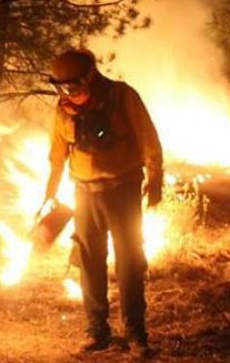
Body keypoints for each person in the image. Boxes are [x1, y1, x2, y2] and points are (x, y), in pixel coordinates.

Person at [42, 49, 163, 356]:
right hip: (84, 193)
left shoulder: (122, 97)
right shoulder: (63, 111)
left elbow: (148, 137)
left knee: (130, 262)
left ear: (89, 77)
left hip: (123, 189)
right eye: (61, 87)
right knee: (88, 261)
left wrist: (156, 178)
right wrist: (49, 194)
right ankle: (97, 332)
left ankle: (136, 334)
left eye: (72, 86)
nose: (67, 93)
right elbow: (57, 157)